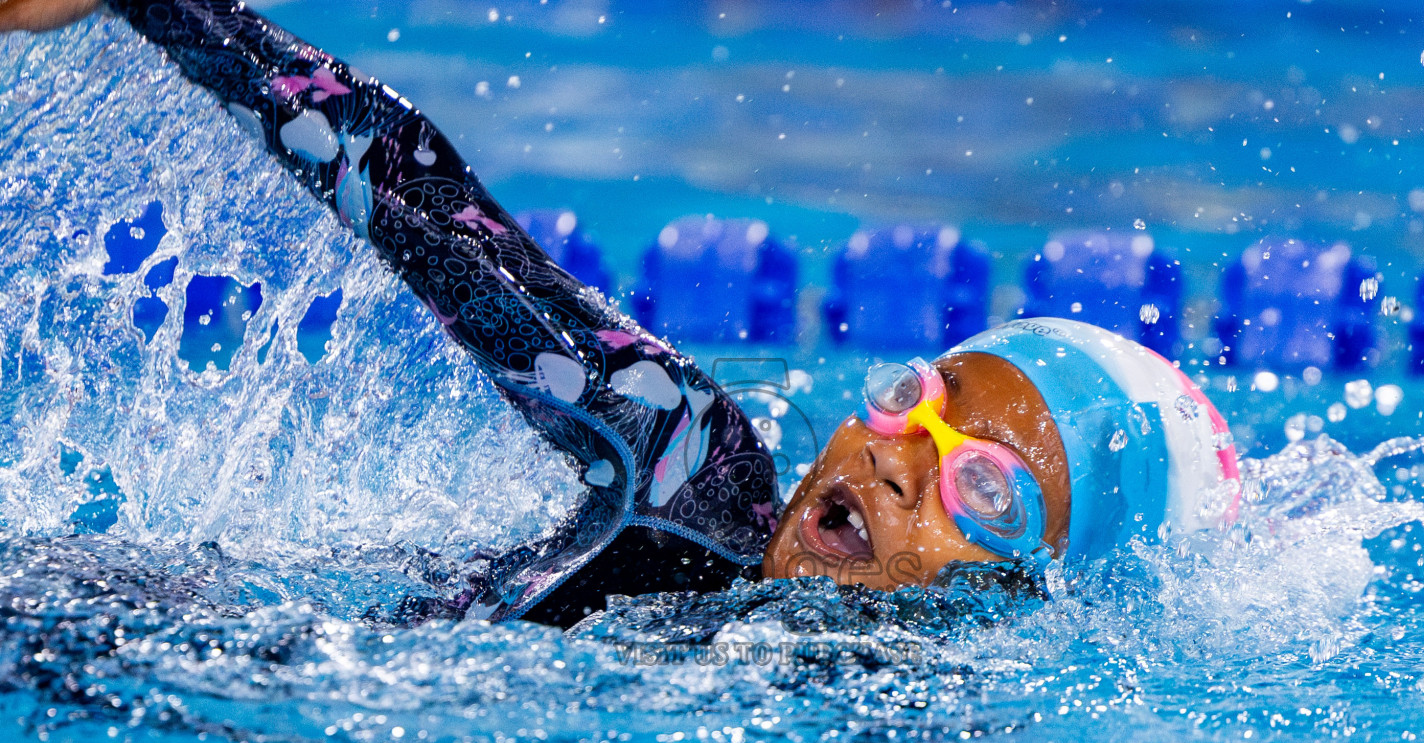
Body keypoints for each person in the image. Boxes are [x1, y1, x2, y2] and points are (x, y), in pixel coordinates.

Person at [0, 0, 1240, 627]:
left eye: (989, 491)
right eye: (920, 402)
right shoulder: (694, 467)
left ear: (1040, 594)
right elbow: (422, 200)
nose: (901, 460)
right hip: (139, 635)